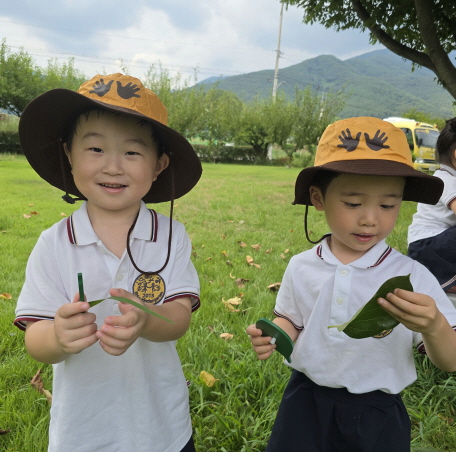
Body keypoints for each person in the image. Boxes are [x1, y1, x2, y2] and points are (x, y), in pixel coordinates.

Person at [14, 73, 202, 452]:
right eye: (95, 149)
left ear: (159, 164)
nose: (113, 166)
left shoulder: (170, 236)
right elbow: (35, 337)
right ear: (68, 153)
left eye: (132, 152)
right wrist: (57, 337)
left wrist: (149, 319)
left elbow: (179, 317)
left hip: (162, 427)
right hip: (83, 431)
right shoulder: (54, 243)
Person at [246, 117, 456, 452]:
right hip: (305, 402)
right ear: (318, 198)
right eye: (353, 203)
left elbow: (450, 360)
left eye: (388, 204)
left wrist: (433, 325)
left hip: (377, 413)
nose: (370, 218)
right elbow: (293, 320)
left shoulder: (411, 277)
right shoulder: (302, 266)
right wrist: (274, 333)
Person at [408, 118, 456, 305]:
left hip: (435, 247)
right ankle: (442, 281)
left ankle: (443, 281)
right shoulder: (446, 180)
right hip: (426, 246)